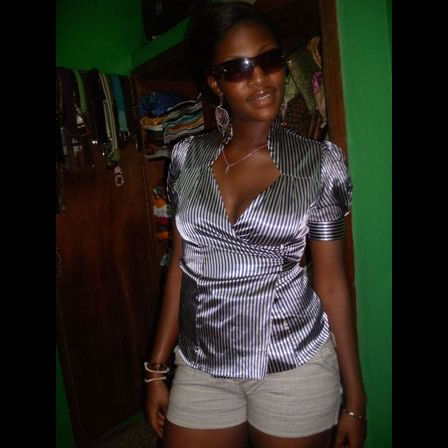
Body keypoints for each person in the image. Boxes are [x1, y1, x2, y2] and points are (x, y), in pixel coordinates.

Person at [144, 3, 367, 448]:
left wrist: (355, 398)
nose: (261, 78)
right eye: (239, 68)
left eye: (269, 60)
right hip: (202, 365)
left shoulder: (319, 164)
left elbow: (333, 286)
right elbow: (179, 273)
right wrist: (156, 370)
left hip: (294, 365)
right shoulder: (186, 158)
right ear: (215, 82)